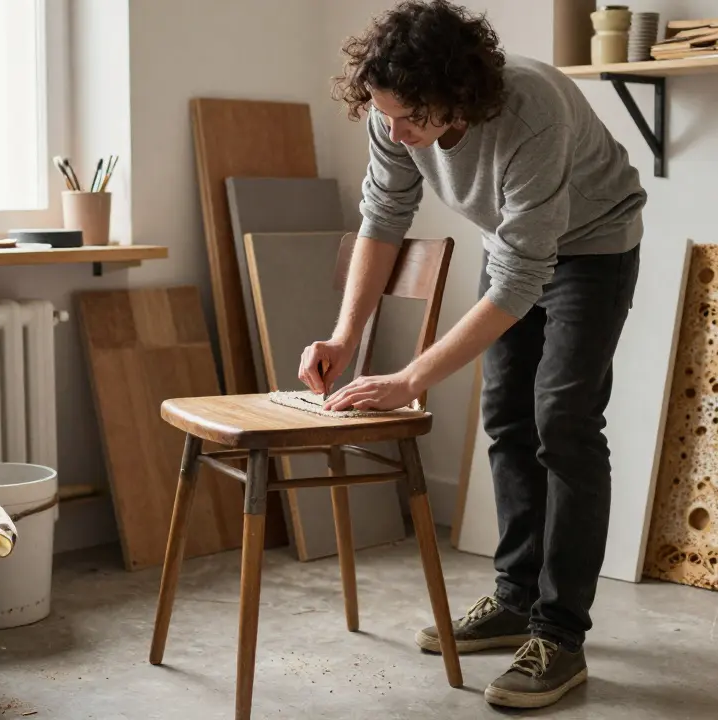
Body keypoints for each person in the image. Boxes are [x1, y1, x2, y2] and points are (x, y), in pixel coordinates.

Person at [299, 0, 646, 710]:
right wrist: (345, 337)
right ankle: (516, 600)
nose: (392, 132)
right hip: (513, 245)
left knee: (565, 424)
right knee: (507, 419)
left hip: (594, 245)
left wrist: (410, 377)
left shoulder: (531, 112)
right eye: (382, 115)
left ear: (457, 95)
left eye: (406, 119)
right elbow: (383, 218)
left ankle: (560, 636)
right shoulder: (393, 113)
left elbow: (525, 277)